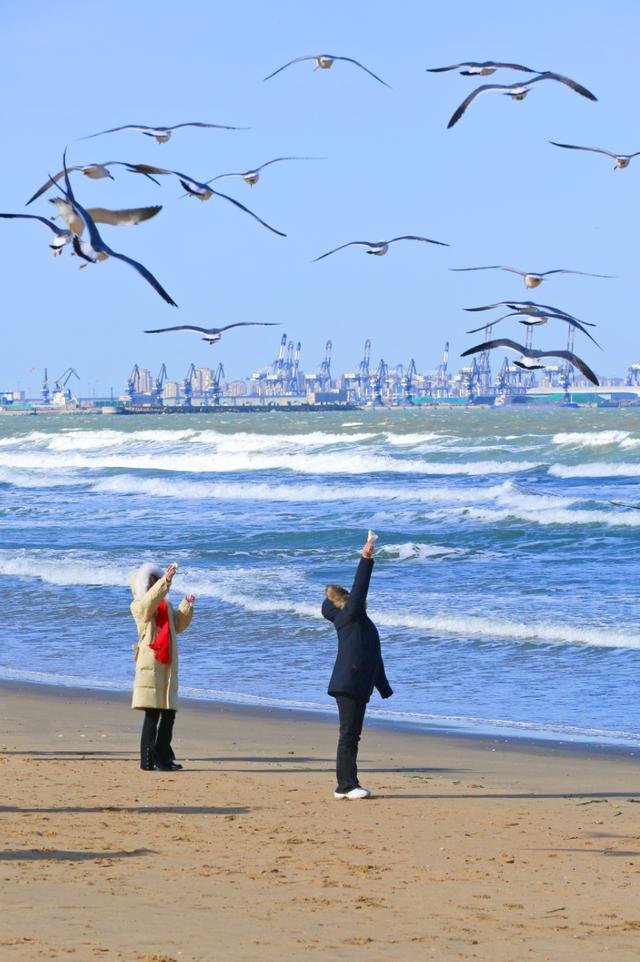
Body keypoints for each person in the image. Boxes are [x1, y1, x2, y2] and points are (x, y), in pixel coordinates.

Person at [322, 537, 393, 799]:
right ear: (345, 602)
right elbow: (360, 587)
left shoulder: (358, 623)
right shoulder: (350, 617)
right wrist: (366, 559)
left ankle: (346, 785)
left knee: (351, 735)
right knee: (349, 735)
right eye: (351, 599)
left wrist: (383, 687)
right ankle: (346, 785)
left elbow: (373, 655)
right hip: (349, 684)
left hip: (356, 685)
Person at [130, 562, 195, 771]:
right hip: (151, 662)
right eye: (153, 581)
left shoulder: (164, 607)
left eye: (156, 581)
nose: (155, 584)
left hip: (166, 664)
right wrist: (165, 582)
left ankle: (164, 756)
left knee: (168, 713)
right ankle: (149, 760)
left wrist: (186, 605)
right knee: (153, 714)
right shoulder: (139, 605)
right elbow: (148, 605)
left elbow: (177, 626)